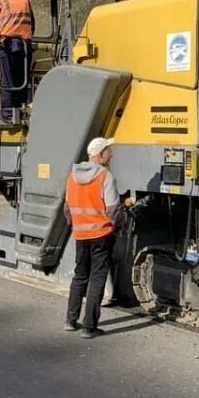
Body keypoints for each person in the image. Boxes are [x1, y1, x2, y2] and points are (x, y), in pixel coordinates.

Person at [64, 137, 124, 338]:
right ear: (100, 154)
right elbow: (113, 209)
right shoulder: (105, 176)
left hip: (81, 235)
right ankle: (89, 326)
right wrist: (120, 224)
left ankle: (71, 321)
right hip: (101, 234)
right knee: (97, 279)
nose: (112, 154)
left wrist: (77, 226)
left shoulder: (72, 176)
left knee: (80, 275)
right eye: (109, 150)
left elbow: (67, 209)